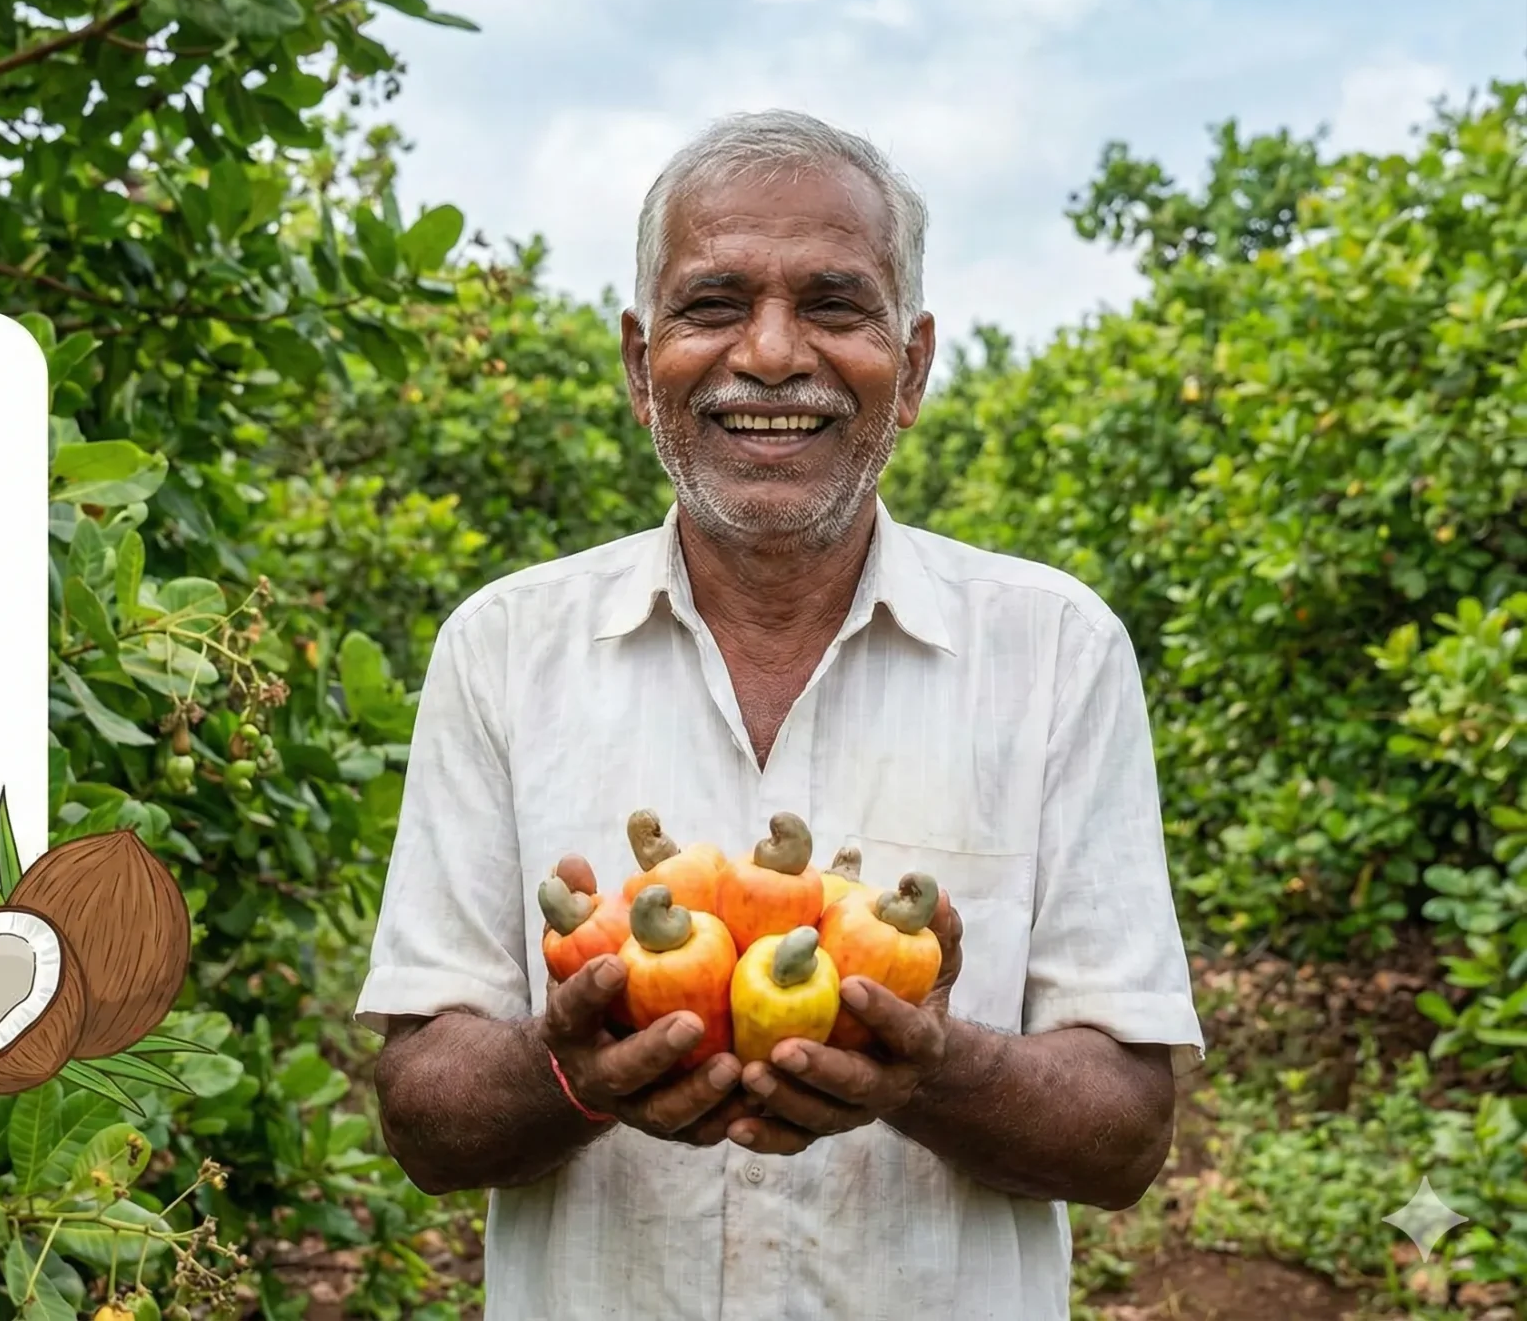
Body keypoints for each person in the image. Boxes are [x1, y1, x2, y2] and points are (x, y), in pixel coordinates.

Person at [358, 109, 1203, 1320]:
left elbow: (1123, 1136)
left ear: (909, 369)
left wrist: (929, 1070)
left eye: (832, 305)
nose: (768, 353)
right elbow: (426, 1119)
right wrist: (572, 1070)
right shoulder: (502, 649)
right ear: (636, 364)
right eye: (711, 305)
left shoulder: (1055, 651)